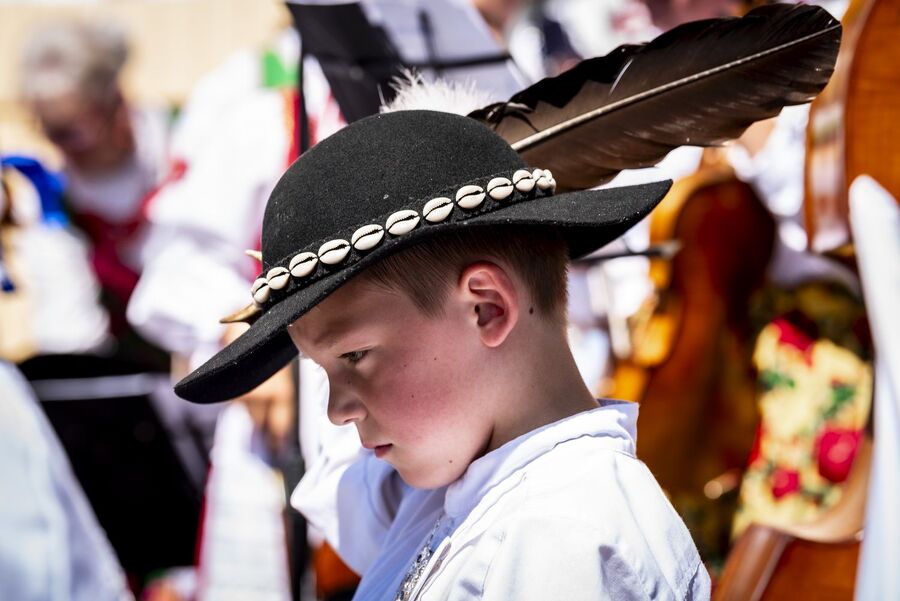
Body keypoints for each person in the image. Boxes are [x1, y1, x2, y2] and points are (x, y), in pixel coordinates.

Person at [175, 110, 710, 599]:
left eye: (355, 356)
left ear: (487, 310)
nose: (335, 411)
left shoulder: (566, 539)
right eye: (323, 371)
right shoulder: (457, 490)